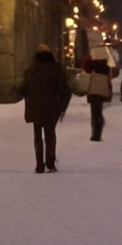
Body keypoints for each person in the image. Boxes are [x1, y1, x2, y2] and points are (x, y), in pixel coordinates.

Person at [17, 44, 72, 173]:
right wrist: (62, 107)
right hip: (52, 106)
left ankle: (39, 164)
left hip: (35, 106)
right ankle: (50, 162)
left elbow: (23, 89)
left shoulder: (30, 70)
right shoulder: (56, 69)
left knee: (37, 135)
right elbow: (65, 90)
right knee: (50, 134)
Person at [85, 59, 114, 141]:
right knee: (99, 112)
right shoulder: (106, 68)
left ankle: (94, 133)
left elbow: (87, 72)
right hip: (102, 91)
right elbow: (110, 79)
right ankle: (99, 131)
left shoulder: (93, 66)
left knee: (94, 113)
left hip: (93, 91)